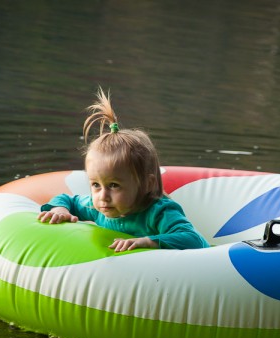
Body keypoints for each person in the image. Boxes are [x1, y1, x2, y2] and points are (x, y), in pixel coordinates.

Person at [37, 87, 209, 252]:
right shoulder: (96, 207)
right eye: (96, 185)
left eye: (113, 185)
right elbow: (67, 199)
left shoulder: (159, 212)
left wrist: (149, 242)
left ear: (147, 183)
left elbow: (192, 239)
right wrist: (60, 210)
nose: (102, 196)